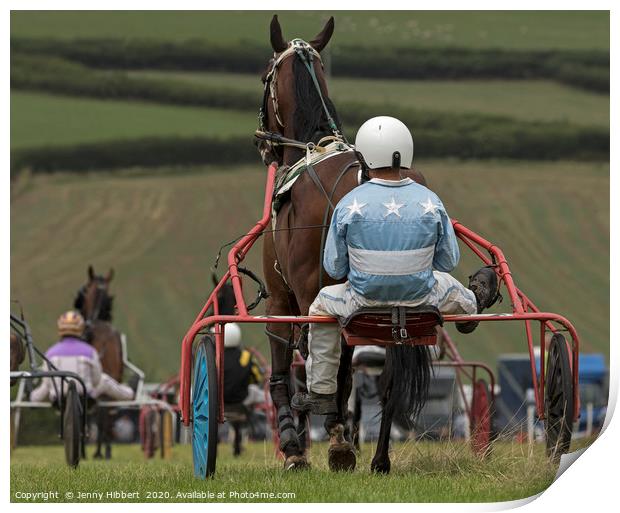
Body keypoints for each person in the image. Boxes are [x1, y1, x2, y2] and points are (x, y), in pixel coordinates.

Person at [292, 116, 500, 415]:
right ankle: (472, 309)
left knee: (319, 308)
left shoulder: (348, 204)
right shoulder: (431, 201)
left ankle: (322, 392)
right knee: (456, 290)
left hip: (360, 303)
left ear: (363, 156)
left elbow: (335, 268)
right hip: (423, 301)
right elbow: (449, 261)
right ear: (407, 152)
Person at [30, 311, 134, 403]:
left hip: (57, 398)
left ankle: (32, 397)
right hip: (85, 397)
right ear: (81, 329)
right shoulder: (90, 351)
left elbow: (47, 381)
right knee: (104, 379)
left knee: (46, 385)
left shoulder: (50, 353)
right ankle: (129, 394)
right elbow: (96, 379)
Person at [222, 323, 266, 408]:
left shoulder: (216, 356)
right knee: (264, 394)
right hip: (242, 398)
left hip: (218, 398)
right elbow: (258, 378)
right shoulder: (245, 355)